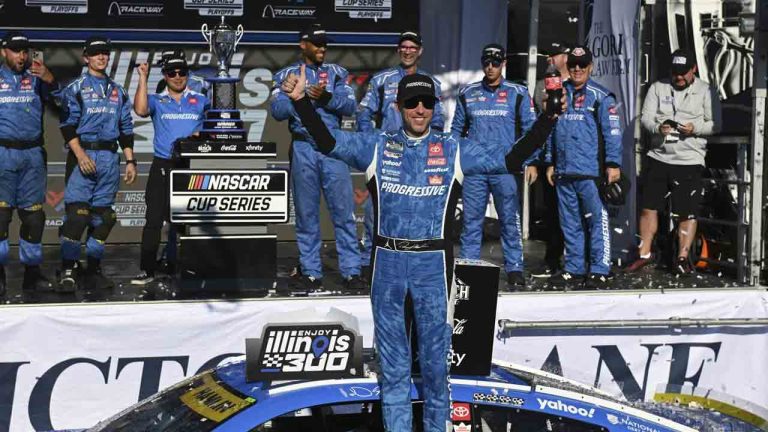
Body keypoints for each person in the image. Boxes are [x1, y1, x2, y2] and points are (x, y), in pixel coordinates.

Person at [281, 66, 557, 431]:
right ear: (398, 105)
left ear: (435, 107)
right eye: (412, 102)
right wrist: (300, 102)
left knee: (435, 369)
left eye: (427, 102)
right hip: (387, 265)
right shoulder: (378, 144)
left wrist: (549, 118)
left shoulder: (453, 149)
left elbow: (509, 158)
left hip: (432, 266)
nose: (420, 110)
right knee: (392, 371)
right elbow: (328, 142)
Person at [271, 24, 365, 292]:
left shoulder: (337, 74)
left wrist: (325, 97)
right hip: (303, 148)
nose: (322, 47)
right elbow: (277, 111)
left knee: (344, 214)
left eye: (325, 43)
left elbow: (350, 106)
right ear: (303, 45)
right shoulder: (286, 75)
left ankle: (352, 271)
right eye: (317, 43)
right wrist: (293, 95)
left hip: (333, 148)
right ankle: (311, 272)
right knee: (306, 215)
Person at [356, 30, 444, 271]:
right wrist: (373, 140)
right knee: (376, 210)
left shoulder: (431, 83)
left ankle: (415, 259)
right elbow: (364, 112)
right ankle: (368, 262)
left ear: (420, 51)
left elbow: (438, 120)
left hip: (418, 157)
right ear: (398, 50)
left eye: (412, 47)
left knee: (418, 211)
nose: (407, 51)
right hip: (389, 156)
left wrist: (428, 147)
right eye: (403, 47)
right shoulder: (382, 79)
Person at [628, 49, 721, 275]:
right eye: (674, 72)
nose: (678, 77)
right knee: (649, 207)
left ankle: (682, 257)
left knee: (686, 211)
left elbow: (716, 125)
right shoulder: (658, 87)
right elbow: (647, 117)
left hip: (690, 159)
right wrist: (658, 128)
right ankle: (644, 254)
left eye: (683, 73)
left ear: (693, 70)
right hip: (659, 156)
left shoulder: (707, 90)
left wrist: (694, 129)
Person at [451, 43, 536, 289]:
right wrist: (456, 162)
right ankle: (468, 269)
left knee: (509, 220)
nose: (490, 67)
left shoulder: (518, 92)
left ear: (504, 64)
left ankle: (514, 268)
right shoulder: (468, 92)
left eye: (495, 62)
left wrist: (529, 162)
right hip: (475, 170)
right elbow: (456, 130)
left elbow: (530, 131)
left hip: (505, 169)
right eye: (486, 62)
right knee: (471, 222)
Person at [57, 36, 137, 291]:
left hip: (109, 159)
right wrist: (80, 156)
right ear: (86, 57)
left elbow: (126, 129)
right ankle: (68, 269)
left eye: (105, 53)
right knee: (77, 217)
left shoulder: (119, 90)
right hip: (84, 155)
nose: (101, 57)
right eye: (96, 53)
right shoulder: (76, 88)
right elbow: (67, 126)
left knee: (104, 218)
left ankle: (93, 270)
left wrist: (130, 161)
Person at [544, 46, 622, 290]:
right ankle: (575, 267)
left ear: (591, 67)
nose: (577, 69)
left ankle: (600, 268)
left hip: (591, 172)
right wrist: (549, 161)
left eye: (583, 65)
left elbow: (613, 134)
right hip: (564, 171)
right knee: (570, 222)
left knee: (597, 221)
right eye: (573, 65)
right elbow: (549, 128)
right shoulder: (559, 92)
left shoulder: (601, 96)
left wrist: (613, 164)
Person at [131, 54, 208, 285]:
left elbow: (216, 127)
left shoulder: (201, 99)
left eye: (182, 72)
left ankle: (188, 267)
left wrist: (198, 135)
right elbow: (141, 110)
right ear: (164, 75)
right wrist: (143, 78)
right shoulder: (157, 99)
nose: (177, 77)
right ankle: (147, 269)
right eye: (172, 73)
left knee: (189, 221)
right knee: (154, 220)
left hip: (190, 166)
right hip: (162, 165)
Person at [0, 31, 58, 295]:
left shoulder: (38, 78)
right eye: (15, 50)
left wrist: (50, 80)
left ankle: (32, 275)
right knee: (0, 218)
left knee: (34, 218)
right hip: (3, 154)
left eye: (25, 51)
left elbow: (64, 104)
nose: (21, 56)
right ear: (4, 52)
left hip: (32, 155)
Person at [530, 42, 570, 278]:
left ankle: (577, 260)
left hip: (574, 156)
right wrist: (536, 160)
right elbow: (536, 124)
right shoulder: (539, 85)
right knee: (551, 210)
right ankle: (552, 258)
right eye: (547, 55)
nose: (548, 59)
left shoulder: (576, 84)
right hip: (549, 156)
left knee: (575, 211)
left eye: (553, 54)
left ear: (565, 57)